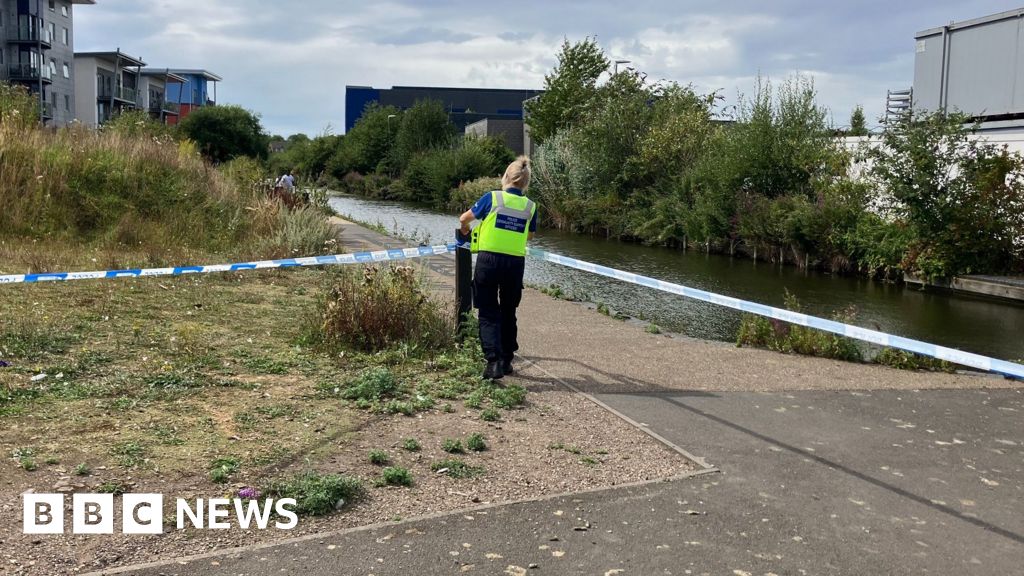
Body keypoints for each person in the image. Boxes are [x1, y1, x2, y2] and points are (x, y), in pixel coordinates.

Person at [459, 156, 538, 380]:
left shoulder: (492, 198)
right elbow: (529, 236)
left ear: (505, 177)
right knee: (509, 311)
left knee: (487, 311)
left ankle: (492, 362)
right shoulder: (531, 207)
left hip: (489, 261)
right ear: (525, 183)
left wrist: (466, 229)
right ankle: (506, 360)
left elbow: (464, 218)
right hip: (514, 264)